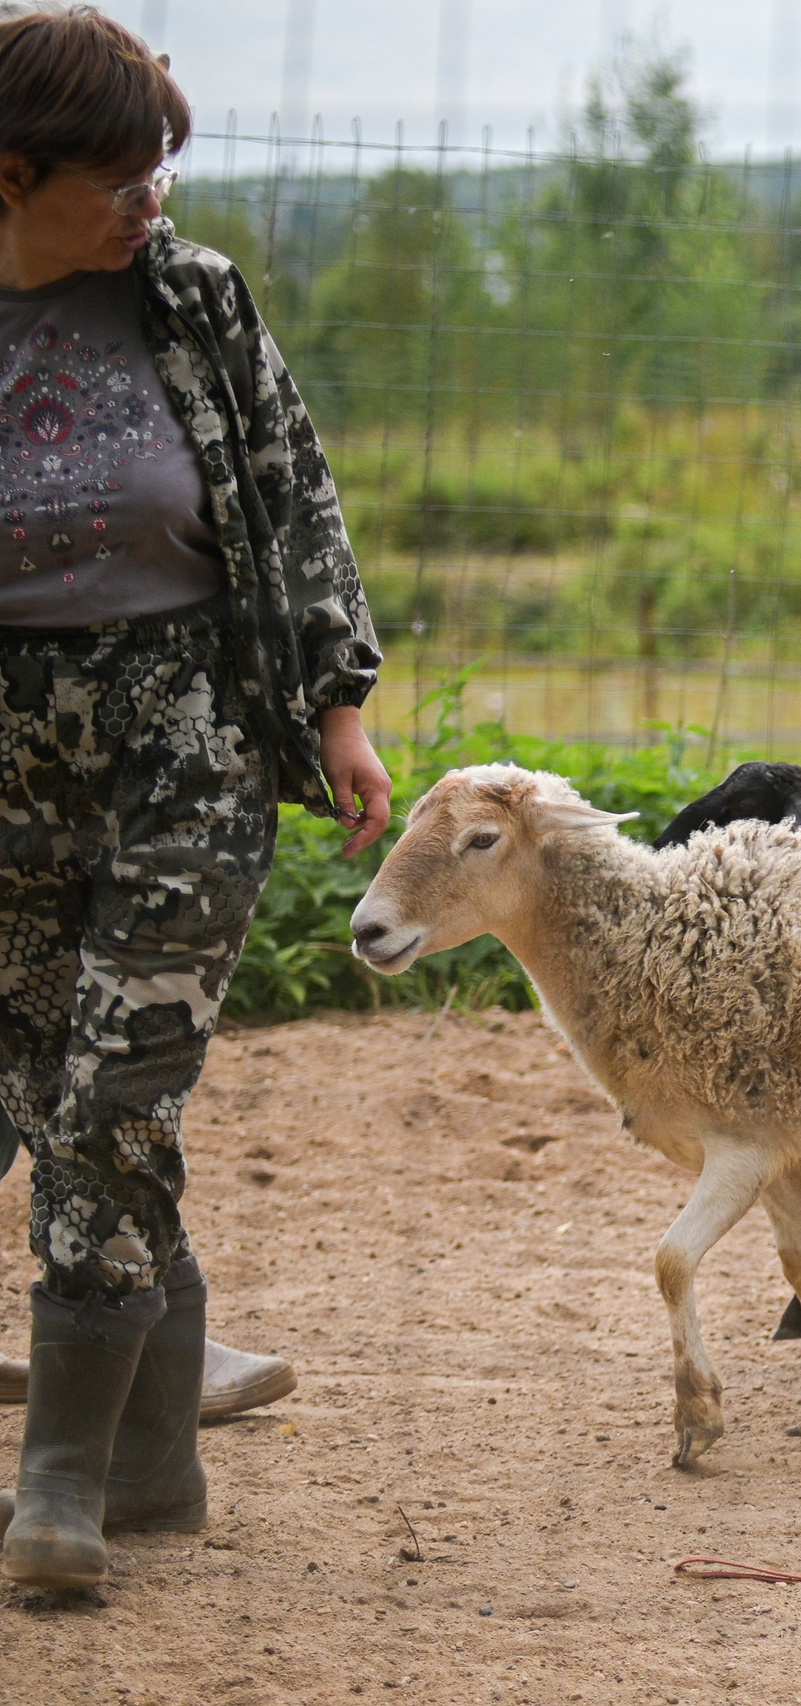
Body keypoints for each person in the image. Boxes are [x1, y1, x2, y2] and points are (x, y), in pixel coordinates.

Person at [0, 6, 389, 1591]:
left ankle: (61, 1489)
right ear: (13, 175)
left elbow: (295, 494)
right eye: (119, 178)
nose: (152, 202)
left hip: (189, 741)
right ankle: (156, 1465)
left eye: (166, 171)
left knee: (113, 1094)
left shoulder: (194, 299)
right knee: (56, 1097)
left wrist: (340, 707)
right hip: (8, 764)